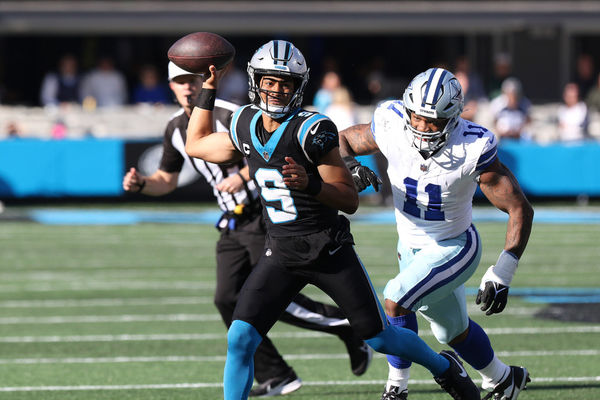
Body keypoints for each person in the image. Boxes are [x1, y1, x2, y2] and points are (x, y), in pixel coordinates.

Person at [185, 39, 480, 400]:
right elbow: (196, 144)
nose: (277, 90)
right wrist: (209, 89)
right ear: (256, 80)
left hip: (327, 251)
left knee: (380, 337)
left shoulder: (313, 129)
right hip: (280, 252)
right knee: (240, 337)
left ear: (299, 86)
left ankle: (444, 367)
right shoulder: (244, 121)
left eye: (286, 83)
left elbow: (349, 199)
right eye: (270, 81)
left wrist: (310, 183)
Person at [123, 61, 372, 397]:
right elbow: (166, 181)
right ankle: (278, 373)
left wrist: (241, 177)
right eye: (179, 81)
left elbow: (266, 149)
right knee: (227, 299)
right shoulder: (174, 128)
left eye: (192, 79)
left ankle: (348, 325)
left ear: (205, 79)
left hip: (263, 213)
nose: (187, 87)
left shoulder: (232, 113)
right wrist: (141, 185)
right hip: (230, 222)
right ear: (170, 86)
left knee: (274, 298)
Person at [338, 67, 534, 400]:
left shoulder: (473, 146)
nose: (422, 128)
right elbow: (340, 139)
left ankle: (397, 387)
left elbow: (519, 208)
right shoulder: (390, 122)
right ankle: (504, 378)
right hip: (410, 244)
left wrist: (504, 271)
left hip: (454, 246)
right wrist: (350, 165)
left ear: (454, 118)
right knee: (453, 332)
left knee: (396, 299)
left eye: (434, 122)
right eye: (416, 117)